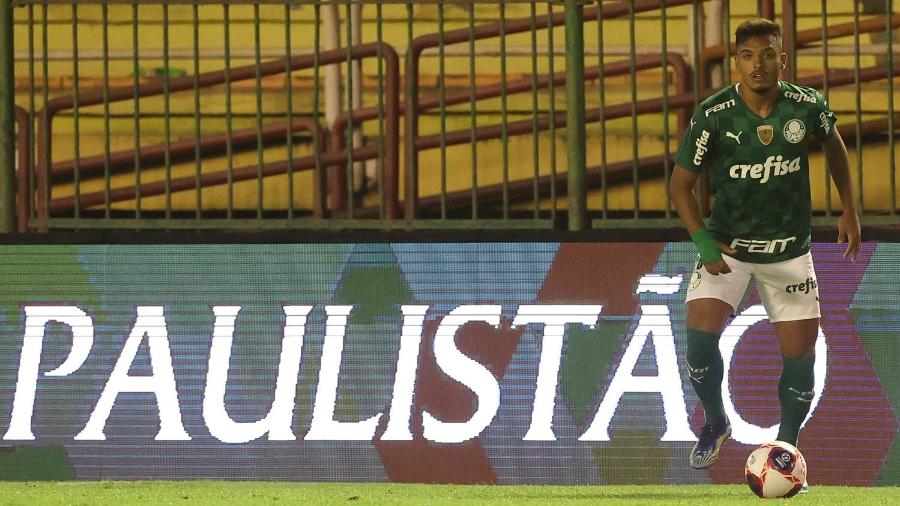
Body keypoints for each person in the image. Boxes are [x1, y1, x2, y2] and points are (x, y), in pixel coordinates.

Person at [668, 17, 861, 484]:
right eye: (749, 56)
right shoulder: (714, 115)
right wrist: (702, 240)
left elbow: (834, 146)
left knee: (801, 360)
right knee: (697, 339)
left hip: (789, 252)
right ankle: (715, 421)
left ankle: (787, 449)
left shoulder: (806, 105)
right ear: (737, 61)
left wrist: (849, 209)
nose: (759, 64)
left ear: (782, 58)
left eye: (768, 54)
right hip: (728, 248)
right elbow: (680, 186)